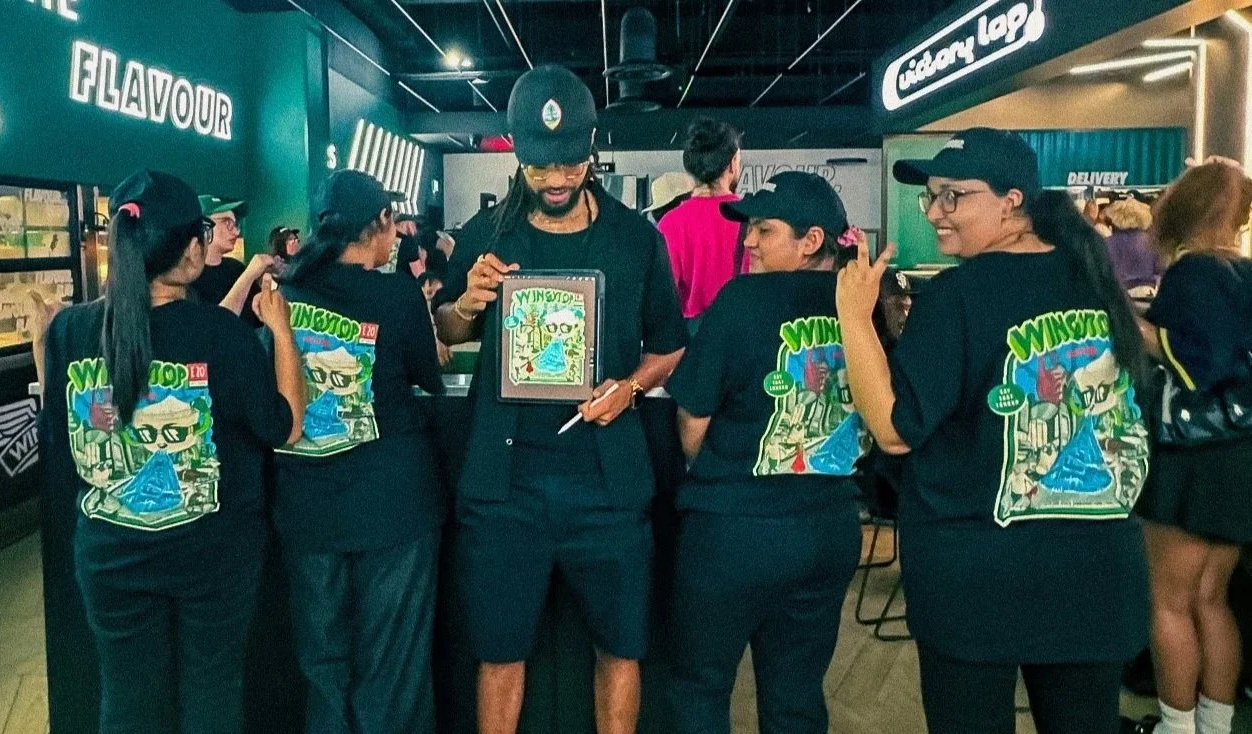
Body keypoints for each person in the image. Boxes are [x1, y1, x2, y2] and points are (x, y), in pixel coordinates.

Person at [836, 128, 1152, 734]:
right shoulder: (1094, 279)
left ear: (1012, 202)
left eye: (953, 196)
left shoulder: (956, 296)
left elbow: (895, 430)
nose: (934, 212)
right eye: (932, 196)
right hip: (1094, 577)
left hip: (976, 584)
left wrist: (854, 315)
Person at [432, 64, 687, 734]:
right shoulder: (486, 235)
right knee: (499, 654)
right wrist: (467, 303)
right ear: (517, 151)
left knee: (621, 648)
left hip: (608, 485)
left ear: (591, 147)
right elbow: (447, 330)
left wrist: (630, 388)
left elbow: (670, 345)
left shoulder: (636, 239)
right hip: (504, 487)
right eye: (540, 164)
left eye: (570, 162)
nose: (556, 178)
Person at [39, 170, 306, 734]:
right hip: (213, 558)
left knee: (127, 701)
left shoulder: (68, 331)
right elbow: (284, 427)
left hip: (109, 559)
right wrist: (282, 332)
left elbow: (68, 438)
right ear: (191, 249)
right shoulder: (221, 333)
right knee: (212, 696)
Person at [666, 172, 870, 734]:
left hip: (734, 530)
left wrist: (712, 469)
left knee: (700, 689)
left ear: (811, 241)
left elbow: (692, 417)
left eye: (764, 229)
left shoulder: (741, 300)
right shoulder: (861, 305)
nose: (749, 242)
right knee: (796, 697)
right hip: (828, 527)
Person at [271, 170, 446, 733]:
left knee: (323, 670)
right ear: (381, 222)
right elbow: (428, 375)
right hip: (392, 504)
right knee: (391, 672)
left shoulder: (284, 295)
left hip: (307, 509)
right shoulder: (395, 294)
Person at [1133, 161, 1252, 734]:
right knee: (1212, 600)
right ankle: (1215, 725)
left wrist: (1133, 325)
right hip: (1239, 456)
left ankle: (1176, 727)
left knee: (1169, 602)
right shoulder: (1245, 272)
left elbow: (1195, 361)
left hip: (1190, 460)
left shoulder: (1192, 273)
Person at [657, 118, 747, 332]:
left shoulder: (671, 223)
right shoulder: (754, 217)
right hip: (744, 334)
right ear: (733, 163)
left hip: (693, 339)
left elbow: (662, 301)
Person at [191, 195, 279, 327]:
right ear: (204, 227)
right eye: (227, 222)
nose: (236, 232)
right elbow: (215, 327)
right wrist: (249, 274)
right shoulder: (189, 278)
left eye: (235, 224)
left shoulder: (236, 267)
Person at [1102, 198, 1162, 301]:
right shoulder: (1153, 243)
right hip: (1146, 293)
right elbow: (1161, 270)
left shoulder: (1105, 243)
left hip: (1116, 294)